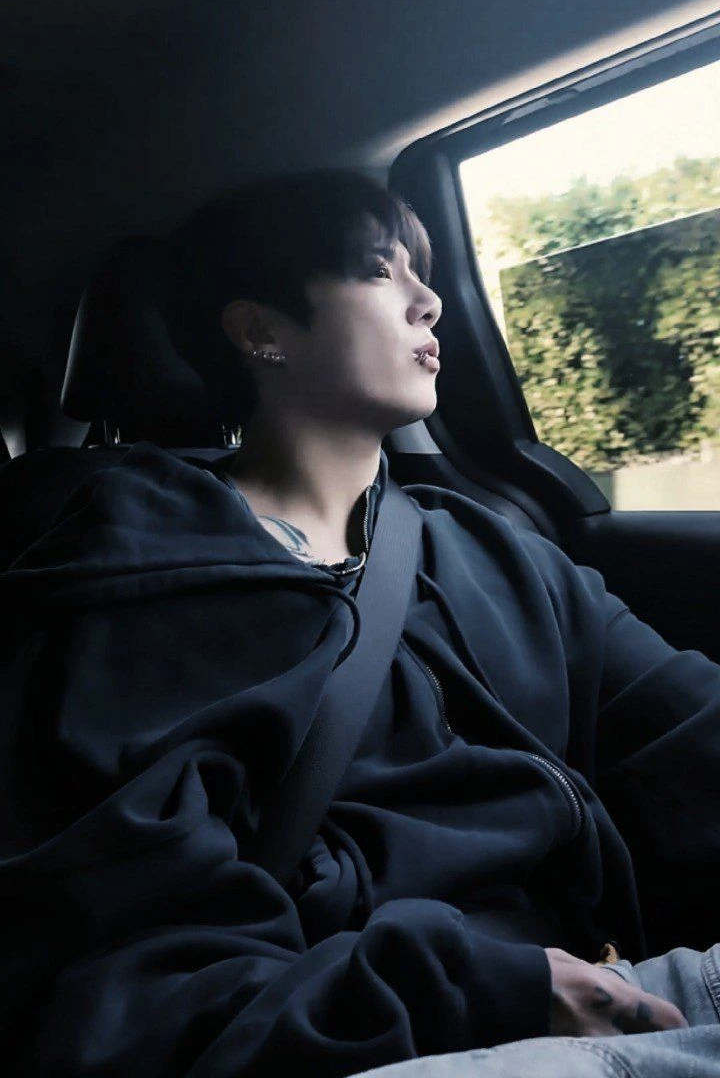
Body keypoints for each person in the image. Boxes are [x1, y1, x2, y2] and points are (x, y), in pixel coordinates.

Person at [0, 169, 718, 1078]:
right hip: (367, 1034)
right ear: (260, 330)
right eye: (379, 271)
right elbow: (135, 978)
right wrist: (478, 989)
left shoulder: (495, 552)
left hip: (614, 988)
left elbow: (686, 725)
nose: (429, 301)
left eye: (422, 274)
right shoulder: (128, 585)